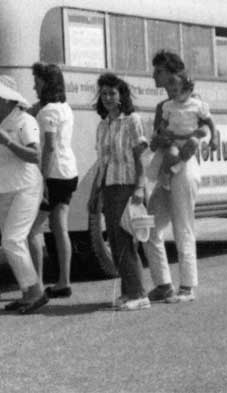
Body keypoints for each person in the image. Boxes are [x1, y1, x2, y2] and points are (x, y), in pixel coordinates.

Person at [0, 73, 47, 314]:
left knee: (12, 240)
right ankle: (27, 294)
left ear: (7, 99)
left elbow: (35, 156)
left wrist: (8, 143)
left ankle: (35, 291)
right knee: (14, 241)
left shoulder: (26, 121)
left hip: (26, 188)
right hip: (3, 190)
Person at [145, 50, 214, 304]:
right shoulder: (162, 107)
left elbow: (206, 126)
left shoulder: (192, 102)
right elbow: (156, 140)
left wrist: (196, 137)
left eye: (159, 71)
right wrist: (157, 140)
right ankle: (163, 284)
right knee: (150, 226)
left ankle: (187, 286)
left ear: (174, 74)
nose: (155, 75)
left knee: (183, 226)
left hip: (185, 170)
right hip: (165, 169)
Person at [89, 73, 150, 311]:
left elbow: (139, 157)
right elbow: (101, 162)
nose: (107, 98)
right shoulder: (103, 125)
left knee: (124, 239)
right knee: (114, 240)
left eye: (112, 93)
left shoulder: (132, 120)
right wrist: (95, 191)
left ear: (121, 95)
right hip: (109, 185)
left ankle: (138, 293)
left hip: (126, 184)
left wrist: (140, 187)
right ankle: (128, 291)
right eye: (104, 93)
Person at [26, 62, 78, 299]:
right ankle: (63, 281)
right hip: (69, 171)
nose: (34, 85)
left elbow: (49, 148)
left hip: (53, 174)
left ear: (46, 83)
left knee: (33, 229)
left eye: (37, 81)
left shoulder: (46, 112)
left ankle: (36, 282)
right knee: (60, 227)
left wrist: (43, 180)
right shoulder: (64, 107)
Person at [154, 70, 216, 191]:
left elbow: (209, 121)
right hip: (175, 139)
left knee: (193, 143)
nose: (173, 94)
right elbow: (164, 122)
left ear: (188, 90)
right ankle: (166, 175)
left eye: (176, 91)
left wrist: (214, 138)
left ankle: (179, 166)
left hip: (189, 138)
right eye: (171, 91)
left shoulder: (197, 105)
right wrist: (162, 130)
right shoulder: (168, 106)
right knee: (171, 154)